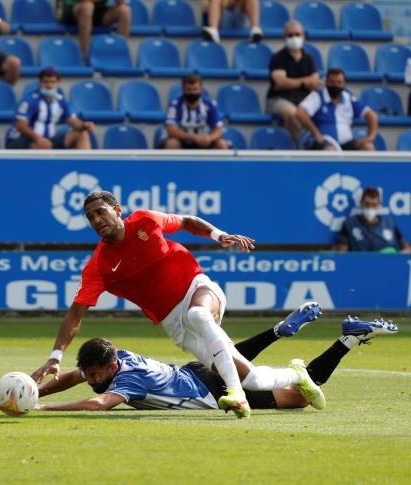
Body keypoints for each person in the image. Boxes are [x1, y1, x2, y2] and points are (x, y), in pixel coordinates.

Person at [31, 191, 325, 419]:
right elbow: (76, 313)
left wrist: (218, 235)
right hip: (175, 324)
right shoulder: (99, 266)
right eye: (90, 217)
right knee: (256, 379)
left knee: (199, 315)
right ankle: (297, 374)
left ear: (117, 210)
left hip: (198, 288)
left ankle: (235, 393)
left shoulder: (144, 220)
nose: (96, 220)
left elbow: (185, 221)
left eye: (100, 212)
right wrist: (55, 356)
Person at [37, 311, 398, 412]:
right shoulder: (116, 358)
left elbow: (100, 403)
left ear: (112, 367)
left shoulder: (126, 381)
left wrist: (43, 409)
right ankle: (277, 331)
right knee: (235, 361)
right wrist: (39, 390)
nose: (93, 379)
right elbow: (75, 375)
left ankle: (348, 337)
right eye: (92, 374)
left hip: (209, 392)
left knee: (300, 396)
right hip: (193, 374)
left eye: (97, 375)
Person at [6, 67, 94, 149]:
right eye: (46, 82)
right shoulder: (28, 101)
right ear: (40, 83)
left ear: (58, 83)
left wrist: (84, 126)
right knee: (42, 146)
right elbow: (21, 126)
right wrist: (38, 139)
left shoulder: (61, 101)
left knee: (81, 133)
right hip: (24, 139)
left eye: (52, 82)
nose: (49, 85)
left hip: (48, 139)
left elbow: (72, 121)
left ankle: (84, 165)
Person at [265, 20, 322, 145]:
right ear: (284, 37)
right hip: (278, 99)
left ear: (303, 36)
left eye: (297, 34)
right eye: (290, 35)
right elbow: (281, 82)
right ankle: (300, 146)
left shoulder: (308, 58)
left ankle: (316, 142)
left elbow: (315, 82)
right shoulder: (278, 57)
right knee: (292, 113)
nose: (294, 37)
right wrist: (304, 82)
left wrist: (292, 82)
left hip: (303, 99)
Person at [296, 68, 379, 151]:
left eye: (339, 82)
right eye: (332, 82)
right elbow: (300, 113)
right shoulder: (317, 96)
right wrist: (316, 133)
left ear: (344, 84)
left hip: (346, 144)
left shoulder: (348, 98)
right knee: (329, 150)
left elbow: (371, 115)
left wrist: (370, 137)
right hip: (323, 143)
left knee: (368, 147)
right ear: (326, 82)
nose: (335, 85)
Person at [160, 74, 228, 149]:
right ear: (183, 89)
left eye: (195, 89)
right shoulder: (175, 105)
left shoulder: (211, 105)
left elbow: (218, 130)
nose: (192, 92)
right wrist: (194, 137)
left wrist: (210, 138)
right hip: (182, 141)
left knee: (222, 144)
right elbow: (171, 130)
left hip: (205, 141)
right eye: (188, 89)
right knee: (172, 143)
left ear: (201, 89)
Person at [336, 187, 411, 253]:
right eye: (367, 204)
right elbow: (342, 253)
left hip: (385, 266)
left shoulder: (389, 224)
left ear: (379, 205)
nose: (370, 208)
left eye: (374, 205)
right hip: (359, 266)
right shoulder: (349, 224)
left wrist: (397, 256)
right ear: (361, 203)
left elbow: (407, 248)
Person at [56, 0, 131, 59]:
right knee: (87, 7)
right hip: (73, 8)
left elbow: (121, 3)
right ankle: (84, 55)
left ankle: (120, 54)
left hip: (98, 10)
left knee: (125, 11)